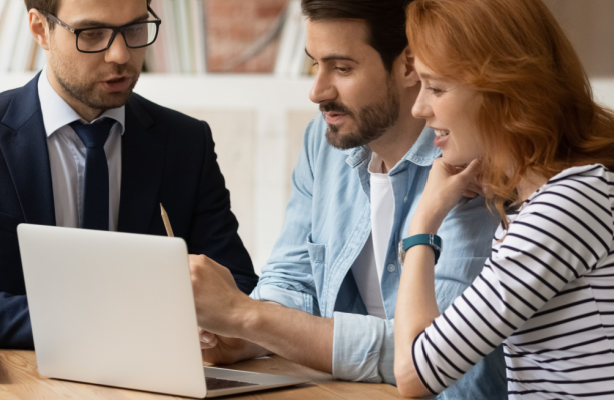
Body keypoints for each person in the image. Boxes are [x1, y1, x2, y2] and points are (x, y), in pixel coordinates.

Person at [186, 0, 506, 398]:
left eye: (341, 68)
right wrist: (241, 335)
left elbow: (438, 352)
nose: (317, 92)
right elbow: (293, 280)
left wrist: (249, 316)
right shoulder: (323, 144)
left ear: (409, 66)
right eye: (314, 64)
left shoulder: (467, 160)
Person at [0, 0, 257, 349]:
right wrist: (97, 322)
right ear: (41, 29)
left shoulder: (186, 143)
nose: (120, 54)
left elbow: (237, 286)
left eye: (133, 28)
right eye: (92, 33)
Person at [392, 0, 614, 398]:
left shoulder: (571, 205)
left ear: (503, 89)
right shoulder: (568, 196)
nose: (419, 107)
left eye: (437, 88)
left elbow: (414, 375)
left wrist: (423, 224)